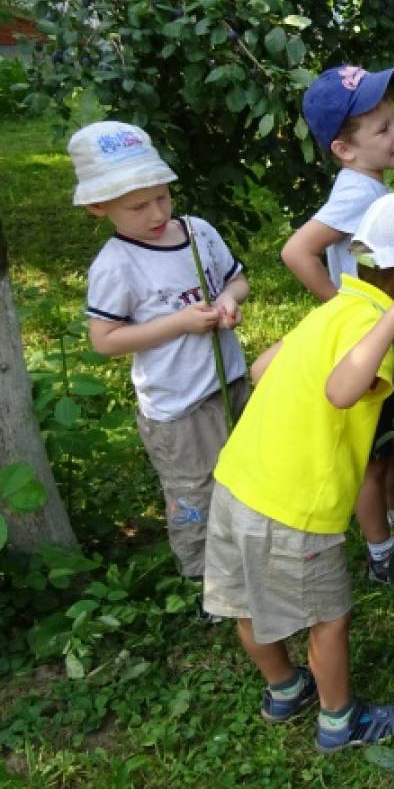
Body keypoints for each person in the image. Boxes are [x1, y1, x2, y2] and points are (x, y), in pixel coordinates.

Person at [202, 195, 394, 752]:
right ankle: (340, 721)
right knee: (328, 618)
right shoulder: (373, 329)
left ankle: (285, 688)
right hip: (297, 505)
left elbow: (262, 370)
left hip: (239, 478)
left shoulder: (335, 307)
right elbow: (342, 390)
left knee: (242, 603)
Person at [73, 120, 250, 595]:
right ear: (97, 206)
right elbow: (104, 339)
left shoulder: (198, 232)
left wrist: (229, 301)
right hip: (178, 406)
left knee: (246, 470)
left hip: (229, 381)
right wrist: (180, 323)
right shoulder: (116, 264)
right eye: (137, 205)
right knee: (195, 491)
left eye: (162, 197)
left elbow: (237, 279)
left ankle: (250, 553)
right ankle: (206, 580)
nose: (156, 212)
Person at [281, 63, 394, 583]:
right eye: (382, 128)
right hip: (367, 342)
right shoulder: (358, 192)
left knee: (390, 439)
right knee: (368, 454)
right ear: (344, 150)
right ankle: (381, 556)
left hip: (384, 336)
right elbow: (297, 252)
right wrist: (339, 308)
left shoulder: (368, 184)